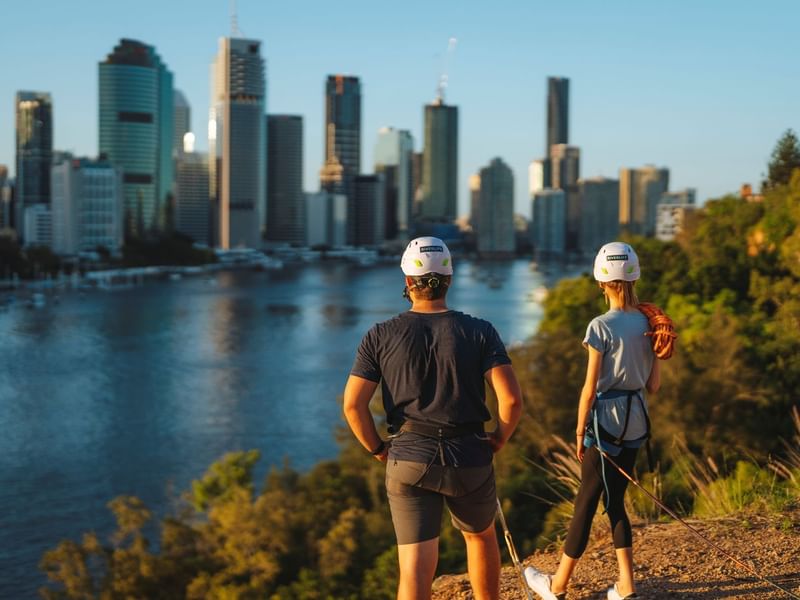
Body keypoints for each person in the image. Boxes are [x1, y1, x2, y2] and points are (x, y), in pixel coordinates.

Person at [343, 237, 523, 600]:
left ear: (408, 282)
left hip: (409, 457)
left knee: (414, 567)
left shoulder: (380, 335)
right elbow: (512, 400)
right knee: (480, 536)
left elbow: (353, 406)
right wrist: (499, 438)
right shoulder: (480, 331)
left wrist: (379, 449)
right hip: (469, 454)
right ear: (449, 280)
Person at [525, 241, 662, 600]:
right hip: (636, 421)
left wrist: (578, 428)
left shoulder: (601, 326)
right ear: (634, 277)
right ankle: (627, 585)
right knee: (615, 501)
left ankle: (556, 586)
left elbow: (588, 389)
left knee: (585, 503)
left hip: (604, 425)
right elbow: (654, 385)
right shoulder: (650, 323)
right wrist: (657, 354)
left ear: (602, 282)